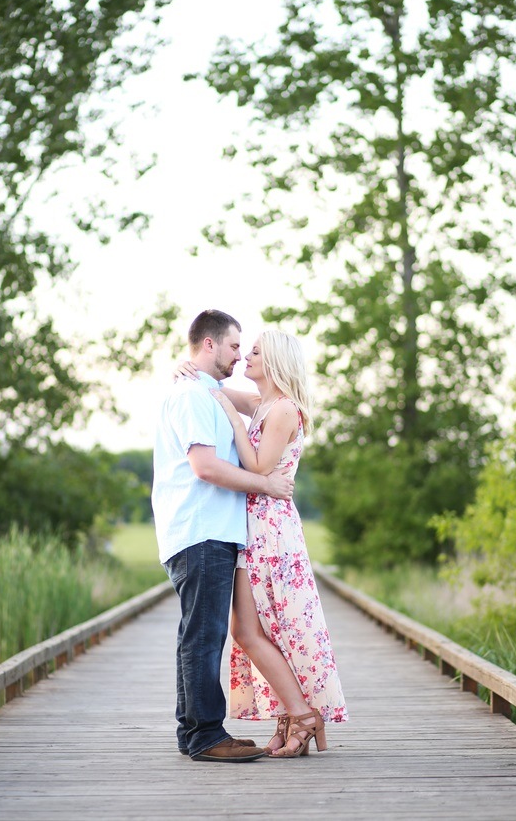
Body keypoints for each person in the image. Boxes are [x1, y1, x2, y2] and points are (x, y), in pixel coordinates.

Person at [177, 329, 348, 758]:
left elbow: (258, 466)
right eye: (242, 349)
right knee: (265, 628)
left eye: (253, 352)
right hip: (251, 527)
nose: (244, 357)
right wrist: (188, 371)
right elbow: (218, 387)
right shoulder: (262, 403)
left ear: (273, 360)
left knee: (255, 629)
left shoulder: (285, 410)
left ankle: (302, 714)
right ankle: (292, 717)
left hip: (271, 531)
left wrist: (233, 423)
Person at [151, 310, 296, 763]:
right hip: (201, 532)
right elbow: (206, 468)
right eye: (235, 346)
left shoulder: (206, 391)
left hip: (209, 532)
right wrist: (268, 485)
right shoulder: (194, 396)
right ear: (210, 344)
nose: (240, 355)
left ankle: (194, 732)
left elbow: (260, 405)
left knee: (200, 634)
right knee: (205, 636)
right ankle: (206, 736)